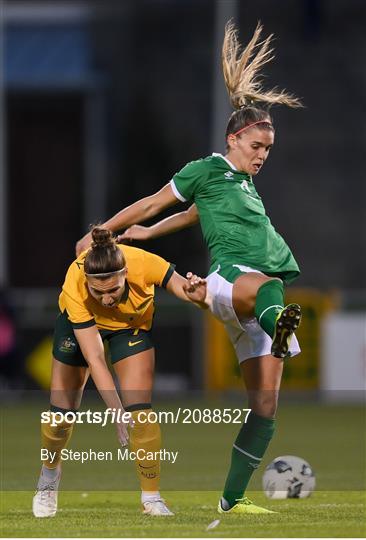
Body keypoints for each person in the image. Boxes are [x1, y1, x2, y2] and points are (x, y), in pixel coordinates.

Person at [76, 22, 302, 514]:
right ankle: (278, 325)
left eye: (268, 150)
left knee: (265, 410)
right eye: (257, 147)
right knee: (267, 291)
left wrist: (152, 236)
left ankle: (232, 500)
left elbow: (191, 213)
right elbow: (154, 201)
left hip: (252, 301)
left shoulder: (236, 185)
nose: (263, 156)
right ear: (234, 138)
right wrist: (106, 230)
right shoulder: (207, 169)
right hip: (233, 281)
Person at [33, 227, 208, 518]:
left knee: (141, 415)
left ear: (125, 273)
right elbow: (96, 359)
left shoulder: (142, 262)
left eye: (113, 289)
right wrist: (116, 412)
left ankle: (151, 498)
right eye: (97, 292)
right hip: (80, 327)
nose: (106, 299)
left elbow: (179, 285)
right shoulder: (75, 281)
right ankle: (49, 476)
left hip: (129, 327)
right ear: (87, 282)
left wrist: (194, 293)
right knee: (58, 422)